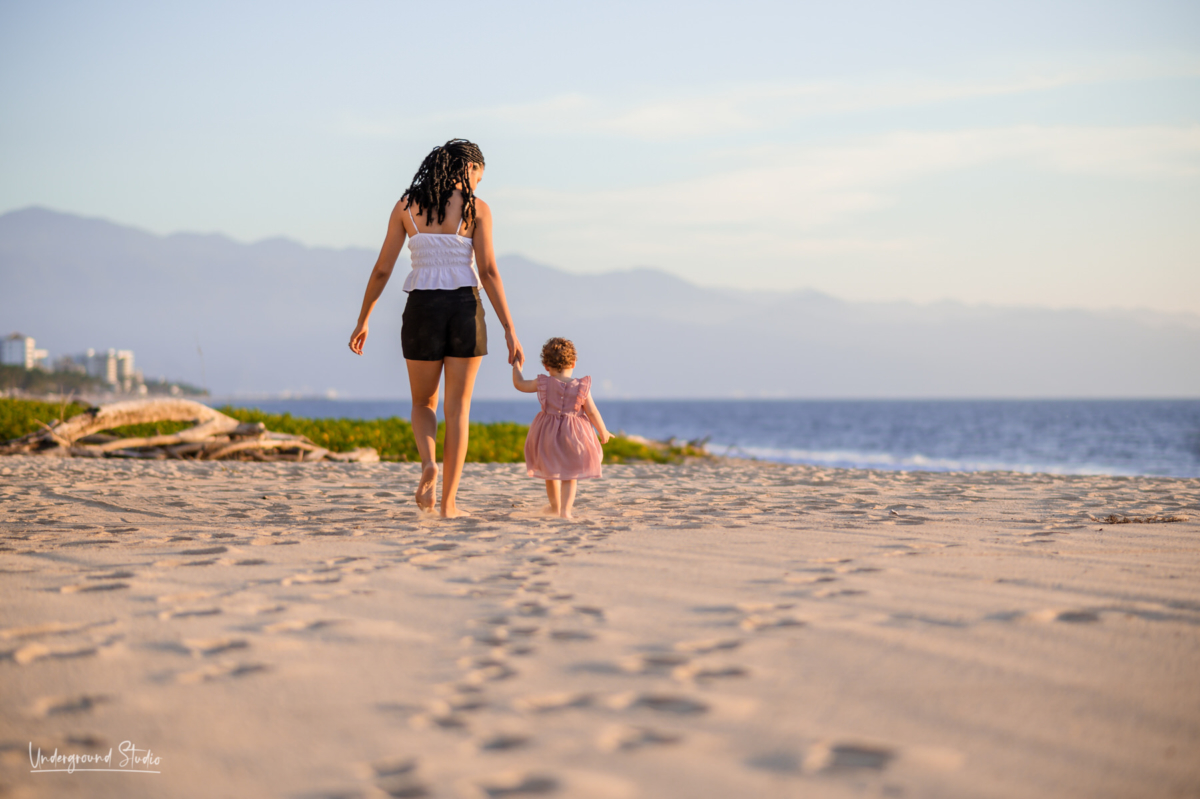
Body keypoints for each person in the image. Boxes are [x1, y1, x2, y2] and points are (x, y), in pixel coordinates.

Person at [350, 139, 523, 518]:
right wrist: (509, 328)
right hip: (464, 308)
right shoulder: (477, 209)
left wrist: (364, 318)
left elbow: (382, 269)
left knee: (422, 403)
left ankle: (428, 462)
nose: (479, 183)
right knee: (458, 409)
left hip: (422, 309)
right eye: (479, 174)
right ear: (469, 169)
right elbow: (490, 271)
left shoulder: (406, 207)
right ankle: (448, 504)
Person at [513, 337, 612, 520]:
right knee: (570, 474)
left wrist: (516, 367)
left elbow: (520, 384)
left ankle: (555, 508)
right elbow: (592, 412)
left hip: (547, 435)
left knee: (551, 473)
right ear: (574, 362)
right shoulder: (582, 385)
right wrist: (602, 430)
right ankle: (566, 511)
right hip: (574, 435)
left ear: (545, 365)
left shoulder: (542, 382)